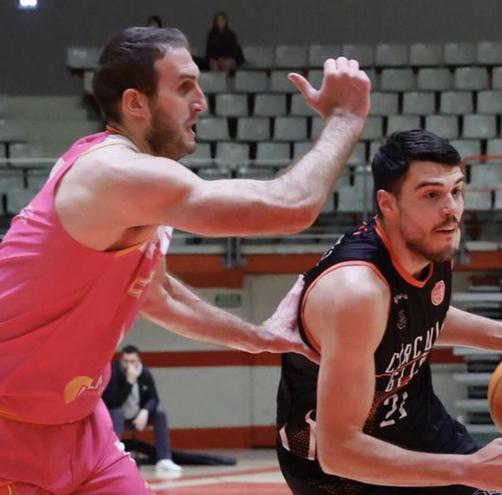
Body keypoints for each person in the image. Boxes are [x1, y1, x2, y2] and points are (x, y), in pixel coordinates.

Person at [0, 26, 369, 494]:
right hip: (9, 430)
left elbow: (159, 295)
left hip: (80, 426)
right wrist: (345, 118)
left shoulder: (140, 193)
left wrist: (256, 338)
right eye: (183, 86)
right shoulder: (113, 174)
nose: (202, 101)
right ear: (135, 103)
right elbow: (292, 205)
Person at [275, 129, 502, 494]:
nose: (451, 209)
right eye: (431, 195)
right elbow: (339, 451)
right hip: (343, 473)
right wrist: (469, 468)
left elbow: (424, 313)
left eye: (456, 191)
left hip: (420, 429)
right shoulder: (357, 293)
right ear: (387, 204)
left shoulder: (431, 239)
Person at [102, 345, 181, 477]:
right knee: (117, 412)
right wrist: (129, 382)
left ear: (139, 360)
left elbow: (154, 398)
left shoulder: (144, 372)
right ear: (121, 360)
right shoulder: (114, 372)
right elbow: (113, 402)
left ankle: (164, 459)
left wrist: (145, 411)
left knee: (160, 413)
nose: (129, 365)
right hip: (118, 417)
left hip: (138, 416)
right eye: (125, 361)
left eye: (132, 361)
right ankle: (113, 460)